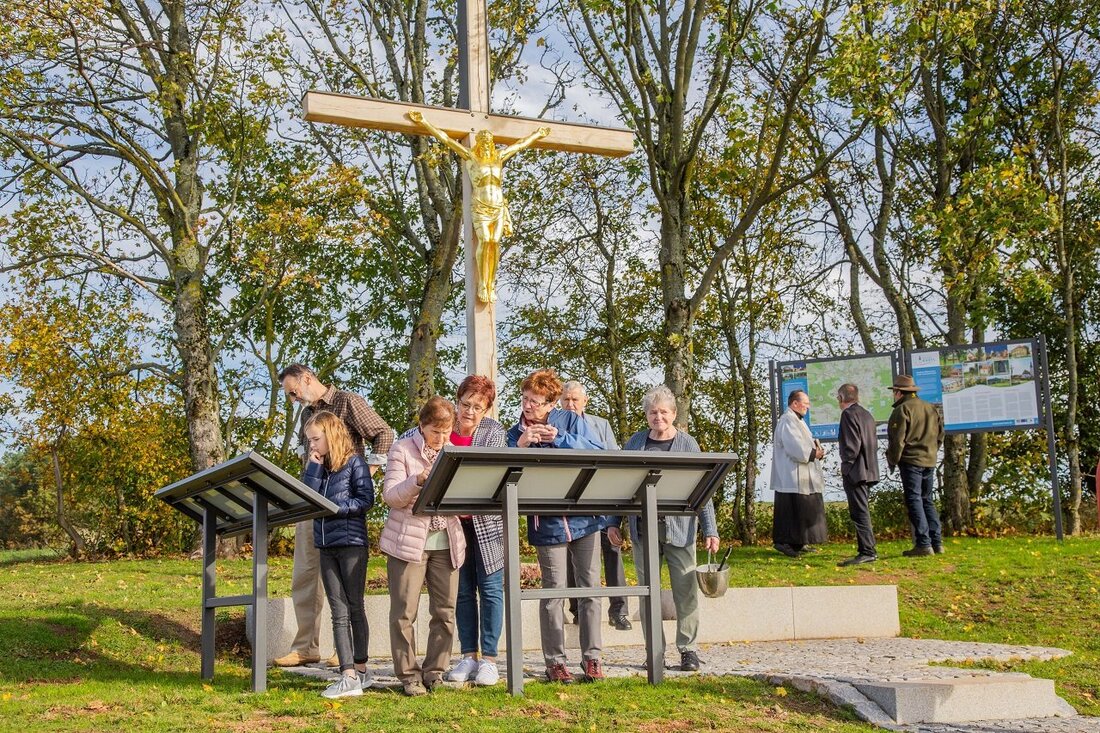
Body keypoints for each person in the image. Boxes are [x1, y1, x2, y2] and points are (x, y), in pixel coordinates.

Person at [275, 363, 394, 668]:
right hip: (312, 501)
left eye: (293, 391)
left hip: (344, 508)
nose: (292, 398)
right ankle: (305, 646)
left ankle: (345, 649)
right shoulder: (305, 415)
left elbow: (384, 432)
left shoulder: (347, 402)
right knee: (304, 574)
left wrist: (366, 473)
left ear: (307, 378)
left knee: (344, 584)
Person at [506, 368, 607, 684]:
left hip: (584, 517)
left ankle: (592, 659)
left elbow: (599, 453)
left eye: (535, 402)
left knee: (590, 589)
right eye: (525, 400)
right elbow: (501, 469)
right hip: (546, 522)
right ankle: (555, 664)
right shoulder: (513, 433)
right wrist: (520, 446)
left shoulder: (571, 421)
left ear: (551, 403)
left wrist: (560, 438)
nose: (528, 406)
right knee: (554, 592)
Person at [407, 110, 550, 304]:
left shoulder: (499, 157)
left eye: (488, 141)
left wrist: (537, 135)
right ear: (479, 144)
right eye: (482, 141)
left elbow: (519, 145)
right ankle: (483, 282)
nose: (486, 144)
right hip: (481, 206)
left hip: (498, 205)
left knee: (495, 243)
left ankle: (491, 283)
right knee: (485, 240)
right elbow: (447, 140)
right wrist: (424, 122)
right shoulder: (472, 158)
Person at [625, 385, 719, 672]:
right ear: (646, 415)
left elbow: (703, 491)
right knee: (648, 593)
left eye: (663, 412)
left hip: (680, 530)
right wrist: (612, 524)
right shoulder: (635, 443)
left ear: (674, 414)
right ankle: (654, 652)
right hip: (644, 530)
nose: (658, 417)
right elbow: (620, 487)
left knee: (685, 591)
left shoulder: (687, 444)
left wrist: (710, 530)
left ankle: (688, 650)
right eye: (652, 412)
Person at [381, 396, 466, 696]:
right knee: (405, 612)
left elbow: (463, 501)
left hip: (447, 543)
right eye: (435, 432)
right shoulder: (401, 450)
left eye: (446, 433)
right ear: (422, 426)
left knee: (445, 611)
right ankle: (409, 676)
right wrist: (417, 480)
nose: (441, 439)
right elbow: (390, 496)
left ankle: (435, 672)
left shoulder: (454, 452)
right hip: (408, 544)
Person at [301, 411, 375, 698]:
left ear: (330, 435)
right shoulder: (319, 467)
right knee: (338, 610)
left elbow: (365, 500)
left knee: (354, 606)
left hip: (352, 544)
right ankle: (347, 674)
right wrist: (313, 468)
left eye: (316, 440)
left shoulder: (355, 462)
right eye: (309, 441)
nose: (312, 446)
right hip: (325, 546)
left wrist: (336, 509)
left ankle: (360, 669)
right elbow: (309, 499)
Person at [442, 376, 508, 687]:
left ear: (486, 410)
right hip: (452, 524)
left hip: (486, 522)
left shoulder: (493, 432)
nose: (469, 411)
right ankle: (468, 655)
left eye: (477, 407)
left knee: (491, 589)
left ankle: (490, 660)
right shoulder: (443, 427)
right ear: (457, 401)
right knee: (463, 591)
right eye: (465, 404)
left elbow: (487, 474)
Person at [560, 380, 631, 632]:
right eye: (566, 399)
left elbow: (614, 465)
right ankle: (578, 609)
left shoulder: (600, 425)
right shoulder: (553, 426)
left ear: (585, 401)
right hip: (569, 503)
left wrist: (613, 513)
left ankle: (619, 610)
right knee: (571, 558)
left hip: (600, 501)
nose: (570, 404)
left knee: (612, 551)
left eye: (574, 400)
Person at [886, 374, 945, 557]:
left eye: (894, 392)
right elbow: (941, 435)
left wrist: (893, 460)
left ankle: (923, 544)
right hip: (930, 460)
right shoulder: (931, 408)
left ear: (898, 392)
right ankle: (937, 543)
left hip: (911, 461)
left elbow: (898, 441)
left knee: (914, 500)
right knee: (927, 499)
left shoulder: (902, 410)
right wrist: (932, 452)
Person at [770, 389, 827, 557]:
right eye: (805, 403)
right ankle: (785, 542)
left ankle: (799, 542)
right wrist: (812, 453)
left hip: (800, 474)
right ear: (795, 403)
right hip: (791, 475)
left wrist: (817, 452)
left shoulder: (797, 420)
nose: (808, 407)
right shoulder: (787, 420)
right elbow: (794, 447)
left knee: (802, 510)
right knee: (792, 511)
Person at [836, 383, 881, 566]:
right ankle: (867, 549)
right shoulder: (867, 414)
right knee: (863, 510)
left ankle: (867, 550)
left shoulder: (848, 414)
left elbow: (851, 446)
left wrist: (846, 465)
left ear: (841, 398)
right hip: (869, 469)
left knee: (859, 513)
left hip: (856, 470)